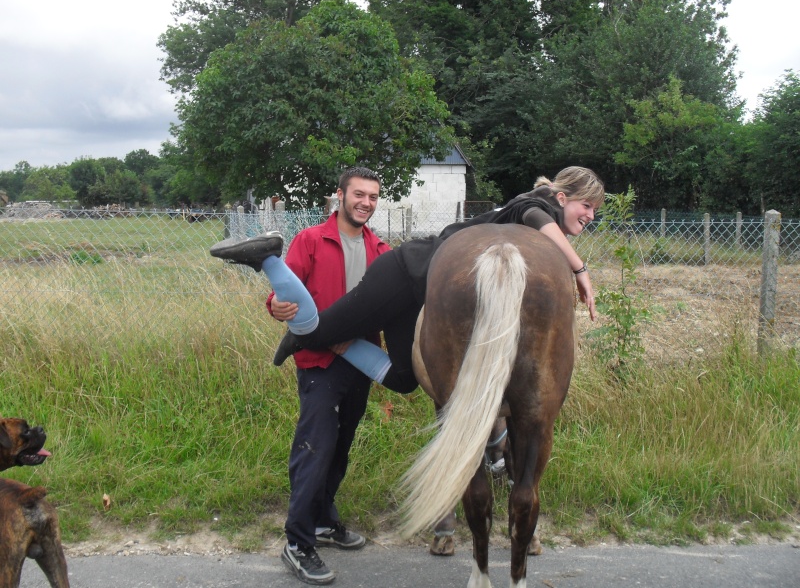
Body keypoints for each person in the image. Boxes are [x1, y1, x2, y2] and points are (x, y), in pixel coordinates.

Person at [211, 166, 605, 395]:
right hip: (405, 272)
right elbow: (543, 228)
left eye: (594, 210)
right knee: (311, 329)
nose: (589, 215)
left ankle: (333, 337)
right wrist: (580, 271)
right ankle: (267, 259)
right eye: (586, 205)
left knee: (404, 380)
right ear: (561, 196)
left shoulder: (531, 212)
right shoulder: (536, 208)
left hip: (424, 295)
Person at [217, 168, 390, 585]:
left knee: (340, 447)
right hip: (319, 363)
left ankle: (324, 522)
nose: (365, 203)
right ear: (340, 196)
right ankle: (297, 542)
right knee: (315, 448)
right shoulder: (312, 239)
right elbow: (282, 295)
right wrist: (276, 306)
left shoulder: (381, 250)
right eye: (358, 195)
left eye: (373, 197)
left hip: (361, 361)